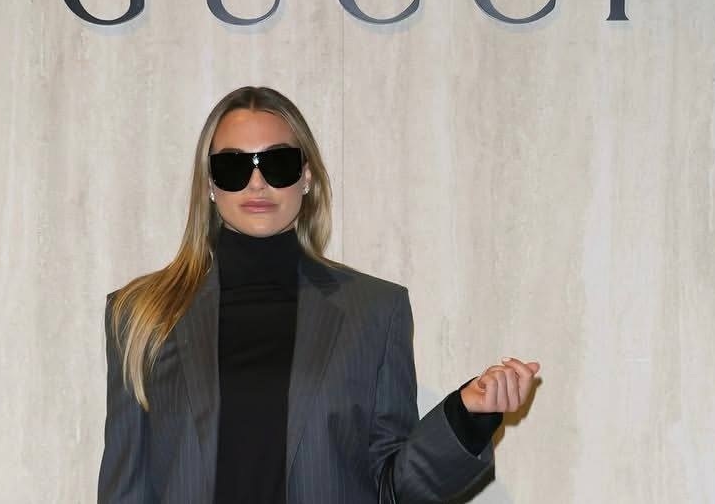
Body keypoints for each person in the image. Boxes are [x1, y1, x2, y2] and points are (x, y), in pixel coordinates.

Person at [99, 86, 541, 503]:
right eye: (234, 166)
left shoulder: (375, 311)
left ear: (306, 177)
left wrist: (467, 416)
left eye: (278, 163)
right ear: (210, 185)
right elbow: (126, 490)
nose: (257, 183)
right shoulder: (141, 313)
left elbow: (393, 488)